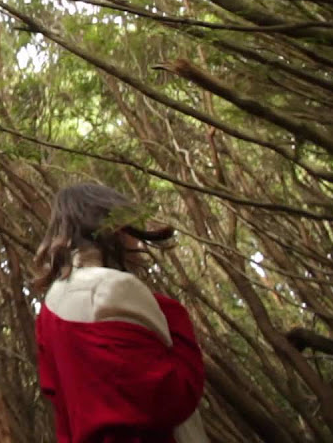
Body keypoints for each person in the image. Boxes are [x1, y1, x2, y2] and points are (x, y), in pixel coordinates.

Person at [33, 182, 207, 443]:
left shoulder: (49, 310)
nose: (137, 242)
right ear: (113, 227)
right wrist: (174, 316)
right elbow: (172, 396)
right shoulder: (110, 288)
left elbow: (64, 411)